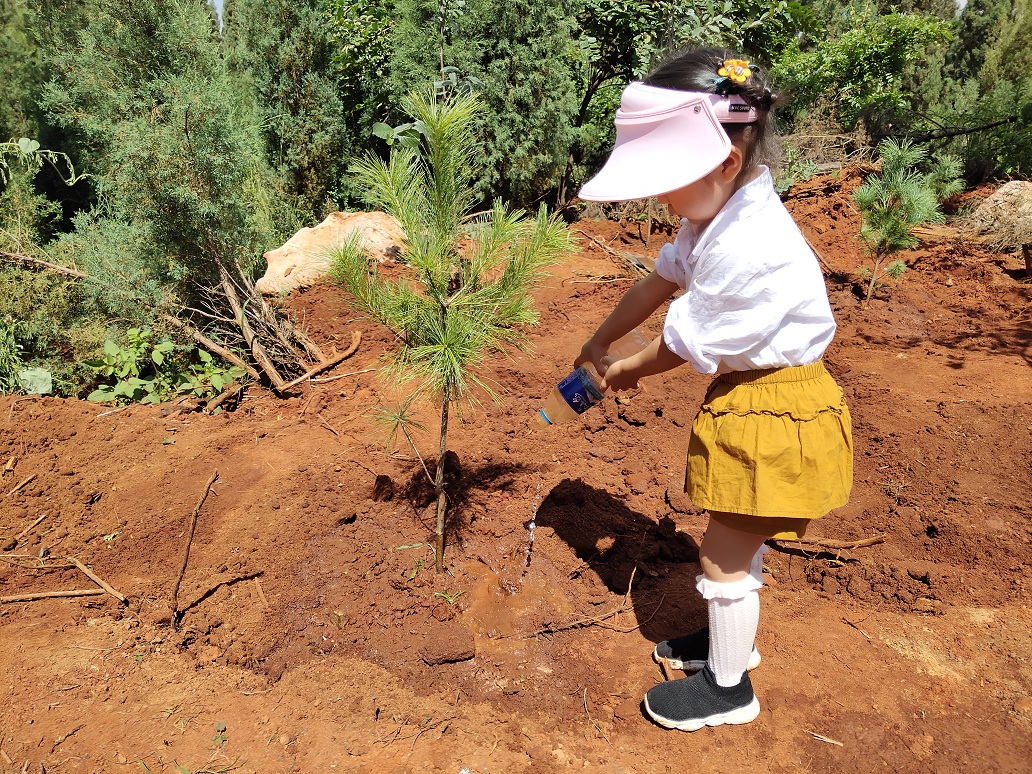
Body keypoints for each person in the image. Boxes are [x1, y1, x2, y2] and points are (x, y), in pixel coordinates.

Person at [574, 47, 853, 732]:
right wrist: (598, 341)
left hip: (776, 408)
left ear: (726, 161)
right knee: (736, 539)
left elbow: (678, 344)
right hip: (758, 398)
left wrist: (619, 373)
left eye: (667, 180)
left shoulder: (744, 241)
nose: (658, 197)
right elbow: (659, 281)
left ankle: (730, 689)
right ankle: (727, 641)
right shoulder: (713, 215)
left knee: (722, 555)